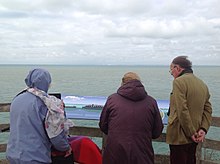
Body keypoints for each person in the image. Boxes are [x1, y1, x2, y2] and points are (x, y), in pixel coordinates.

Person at [6, 68, 72, 164]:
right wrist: (66, 147)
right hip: (35, 157)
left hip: (14, 155)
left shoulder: (17, 99)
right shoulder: (47, 104)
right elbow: (55, 135)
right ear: (47, 83)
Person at [99, 72, 164, 164]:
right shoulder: (151, 102)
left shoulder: (112, 99)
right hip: (142, 153)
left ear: (122, 83)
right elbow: (157, 131)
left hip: (115, 153)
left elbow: (103, 125)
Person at [166, 56, 212, 164]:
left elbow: (182, 109)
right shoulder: (202, 84)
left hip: (179, 135)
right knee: (191, 160)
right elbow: (208, 109)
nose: (171, 73)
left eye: (171, 69)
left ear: (177, 68)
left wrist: (190, 132)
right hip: (196, 134)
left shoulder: (178, 82)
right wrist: (203, 129)